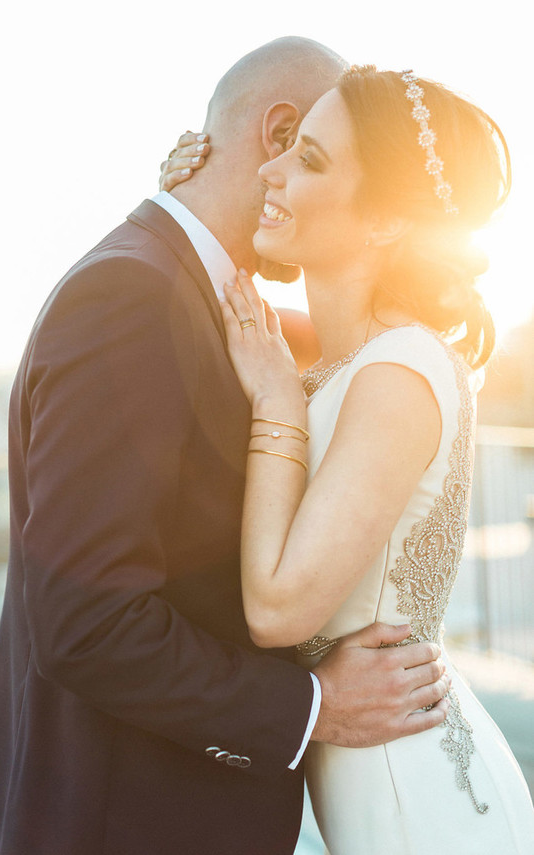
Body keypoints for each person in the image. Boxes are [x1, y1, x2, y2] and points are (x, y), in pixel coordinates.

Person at [0, 43, 452, 855]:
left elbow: (349, 351)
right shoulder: (133, 296)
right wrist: (311, 707)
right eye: (307, 151)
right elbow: (86, 620)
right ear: (280, 136)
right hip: (125, 827)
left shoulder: (197, 293)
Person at [167, 64, 534, 852]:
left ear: (386, 221)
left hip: (423, 805)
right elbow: (217, 301)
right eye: (286, 146)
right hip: (376, 789)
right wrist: (187, 198)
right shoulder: (342, 359)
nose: (271, 169)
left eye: (309, 158)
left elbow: (277, 609)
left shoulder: (400, 372)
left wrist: (276, 403)